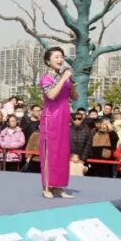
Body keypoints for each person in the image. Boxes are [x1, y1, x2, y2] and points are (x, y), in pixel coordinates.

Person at [39, 46, 78, 198]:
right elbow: (51, 95)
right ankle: (47, 187)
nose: (60, 59)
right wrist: (63, 79)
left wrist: (70, 82)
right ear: (48, 61)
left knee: (62, 152)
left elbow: (75, 97)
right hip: (50, 118)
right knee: (50, 152)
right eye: (56, 57)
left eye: (61, 56)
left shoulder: (65, 77)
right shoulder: (46, 78)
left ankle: (59, 187)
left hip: (64, 117)